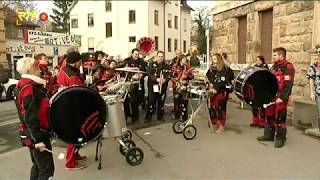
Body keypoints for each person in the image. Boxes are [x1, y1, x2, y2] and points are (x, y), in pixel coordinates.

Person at [14, 57, 54, 179]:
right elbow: (28, 117)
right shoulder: (28, 87)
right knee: (47, 170)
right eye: (36, 66)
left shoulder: (26, 85)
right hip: (37, 134)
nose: (39, 69)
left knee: (38, 166)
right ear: (30, 69)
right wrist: (37, 140)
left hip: (34, 133)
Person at [257, 47, 295, 148]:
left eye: (274, 55)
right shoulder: (273, 67)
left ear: (281, 56)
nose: (272, 57)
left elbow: (288, 84)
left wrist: (282, 97)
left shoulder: (288, 67)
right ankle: (268, 135)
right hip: (271, 97)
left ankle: (280, 138)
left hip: (280, 97)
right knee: (269, 116)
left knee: (279, 118)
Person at [57, 51, 87, 169]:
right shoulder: (72, 75)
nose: (81, 64)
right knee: (73, 134)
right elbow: (78, 92)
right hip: (72, 107)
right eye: (80, 62)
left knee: (76, 133)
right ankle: (70, 162)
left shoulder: (65, 70)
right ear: (75, 62)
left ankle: (75, 155)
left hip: (66, 105)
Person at [206, 53, 231, 134]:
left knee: (221, 109)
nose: (213, 61)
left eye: (215, 59)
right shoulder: (212, 68)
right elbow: (208, 76)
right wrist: (209, 82)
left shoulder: (224, 69)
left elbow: (223, 81)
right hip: (213, 92)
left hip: (221, 92)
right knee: (212, 109)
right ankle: (213, 125)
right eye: (212, 59)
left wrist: (215, 87)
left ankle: (221, 127)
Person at [121, 48, 147, 123]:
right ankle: (130, 115)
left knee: (138, 100)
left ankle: (135, 116)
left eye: (138, 54)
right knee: (130, 100)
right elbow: (122, 70)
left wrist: (141, 75)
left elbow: (145, 71)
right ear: (132, 54)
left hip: (139, 84)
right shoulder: (127, 60)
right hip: (129, 83)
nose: (137, 56)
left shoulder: (141, 61)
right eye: (135, 54)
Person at [145, 51, 170, 122]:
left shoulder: (166, 65)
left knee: (161, 102)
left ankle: (160, 117)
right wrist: (156, 79)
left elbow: (168, 74)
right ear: (156, 57)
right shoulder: (151, 64)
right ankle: (148, 117)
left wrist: (165, 79)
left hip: (162, 87)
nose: (160, 58)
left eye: (162, 56)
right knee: (151, 102)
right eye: (159, 56)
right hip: (153, 87)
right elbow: (149, 74)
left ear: (164, 57)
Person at [171, 54, 194, 120]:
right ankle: (177, 117)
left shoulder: (187, 67)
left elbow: (192, 76)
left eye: (186, 60)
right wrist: (178, 79)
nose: (185, 61)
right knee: (177, 103)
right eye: (184, 60)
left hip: (185, 88)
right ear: (180, 60)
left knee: (185, 102)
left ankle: (184, 117)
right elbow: (172, 77)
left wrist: (187, 77)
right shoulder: (175, 66)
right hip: (177, 87)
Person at [250, 55, 269, 128]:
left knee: (262, 107)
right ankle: (255, 121)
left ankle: (262, 122)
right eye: (256, 60)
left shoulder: (265, 67)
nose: (257, 61)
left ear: (262, 61)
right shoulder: (254, 67)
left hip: (262, 90)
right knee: (254, 106)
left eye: (259, 60)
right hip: (255, 89)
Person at [307, 46, 320, 130]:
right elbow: (311, 78)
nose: (318, 53)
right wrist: (312, 92)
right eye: (317, 52)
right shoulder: (315, 65)